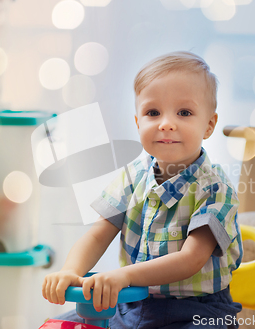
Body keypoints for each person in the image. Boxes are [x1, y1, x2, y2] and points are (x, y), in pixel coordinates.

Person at [42, 51, 243, 329]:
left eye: (184, 112)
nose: (166, 123)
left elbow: (190, 259)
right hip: (131, 301)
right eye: (153, 113)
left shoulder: (214, 188)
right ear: (138, 123)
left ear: (208, 125)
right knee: (59, 325)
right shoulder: (133, 176)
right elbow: (99, 234)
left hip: (196, 309)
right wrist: (71, 270)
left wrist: (124, 275)